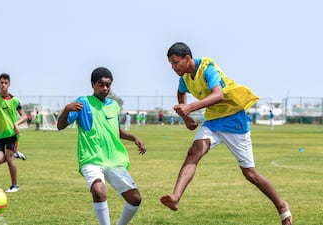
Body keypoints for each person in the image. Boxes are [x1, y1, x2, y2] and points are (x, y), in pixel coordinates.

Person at [159, 42, 292, 225]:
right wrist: (186, 119)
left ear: (187, 59)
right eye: (171, 64)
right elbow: (181, 93)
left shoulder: (208, 69)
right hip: (213, 121)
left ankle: (282, 207)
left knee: (250, 174)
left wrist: (190, 107)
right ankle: (175, 197)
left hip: (234, 120)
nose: (173, 68)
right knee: (194, 152)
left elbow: (218, 95)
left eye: (175, 63)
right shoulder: (185, 77)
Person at [57, 67, 147, 225]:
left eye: (108, 85)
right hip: (91, 158)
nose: (105, 88)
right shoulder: (82, 103)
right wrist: (66, 110)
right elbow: (60, 126)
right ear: (93, 84)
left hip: (113, 159)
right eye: (101, 84)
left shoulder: (114, 105)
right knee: (99, 191)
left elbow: (115, 130)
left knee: (135, 198)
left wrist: (134, 137)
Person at [0, 73, 27, 192]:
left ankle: (15, 186)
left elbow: (24, 116)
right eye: (1, 83)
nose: (3, 85)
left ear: (9, 85)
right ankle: (15, 153)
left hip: (11, 134)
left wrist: (16, 124)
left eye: (6, 83)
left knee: (9, 158)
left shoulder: (15, 101)